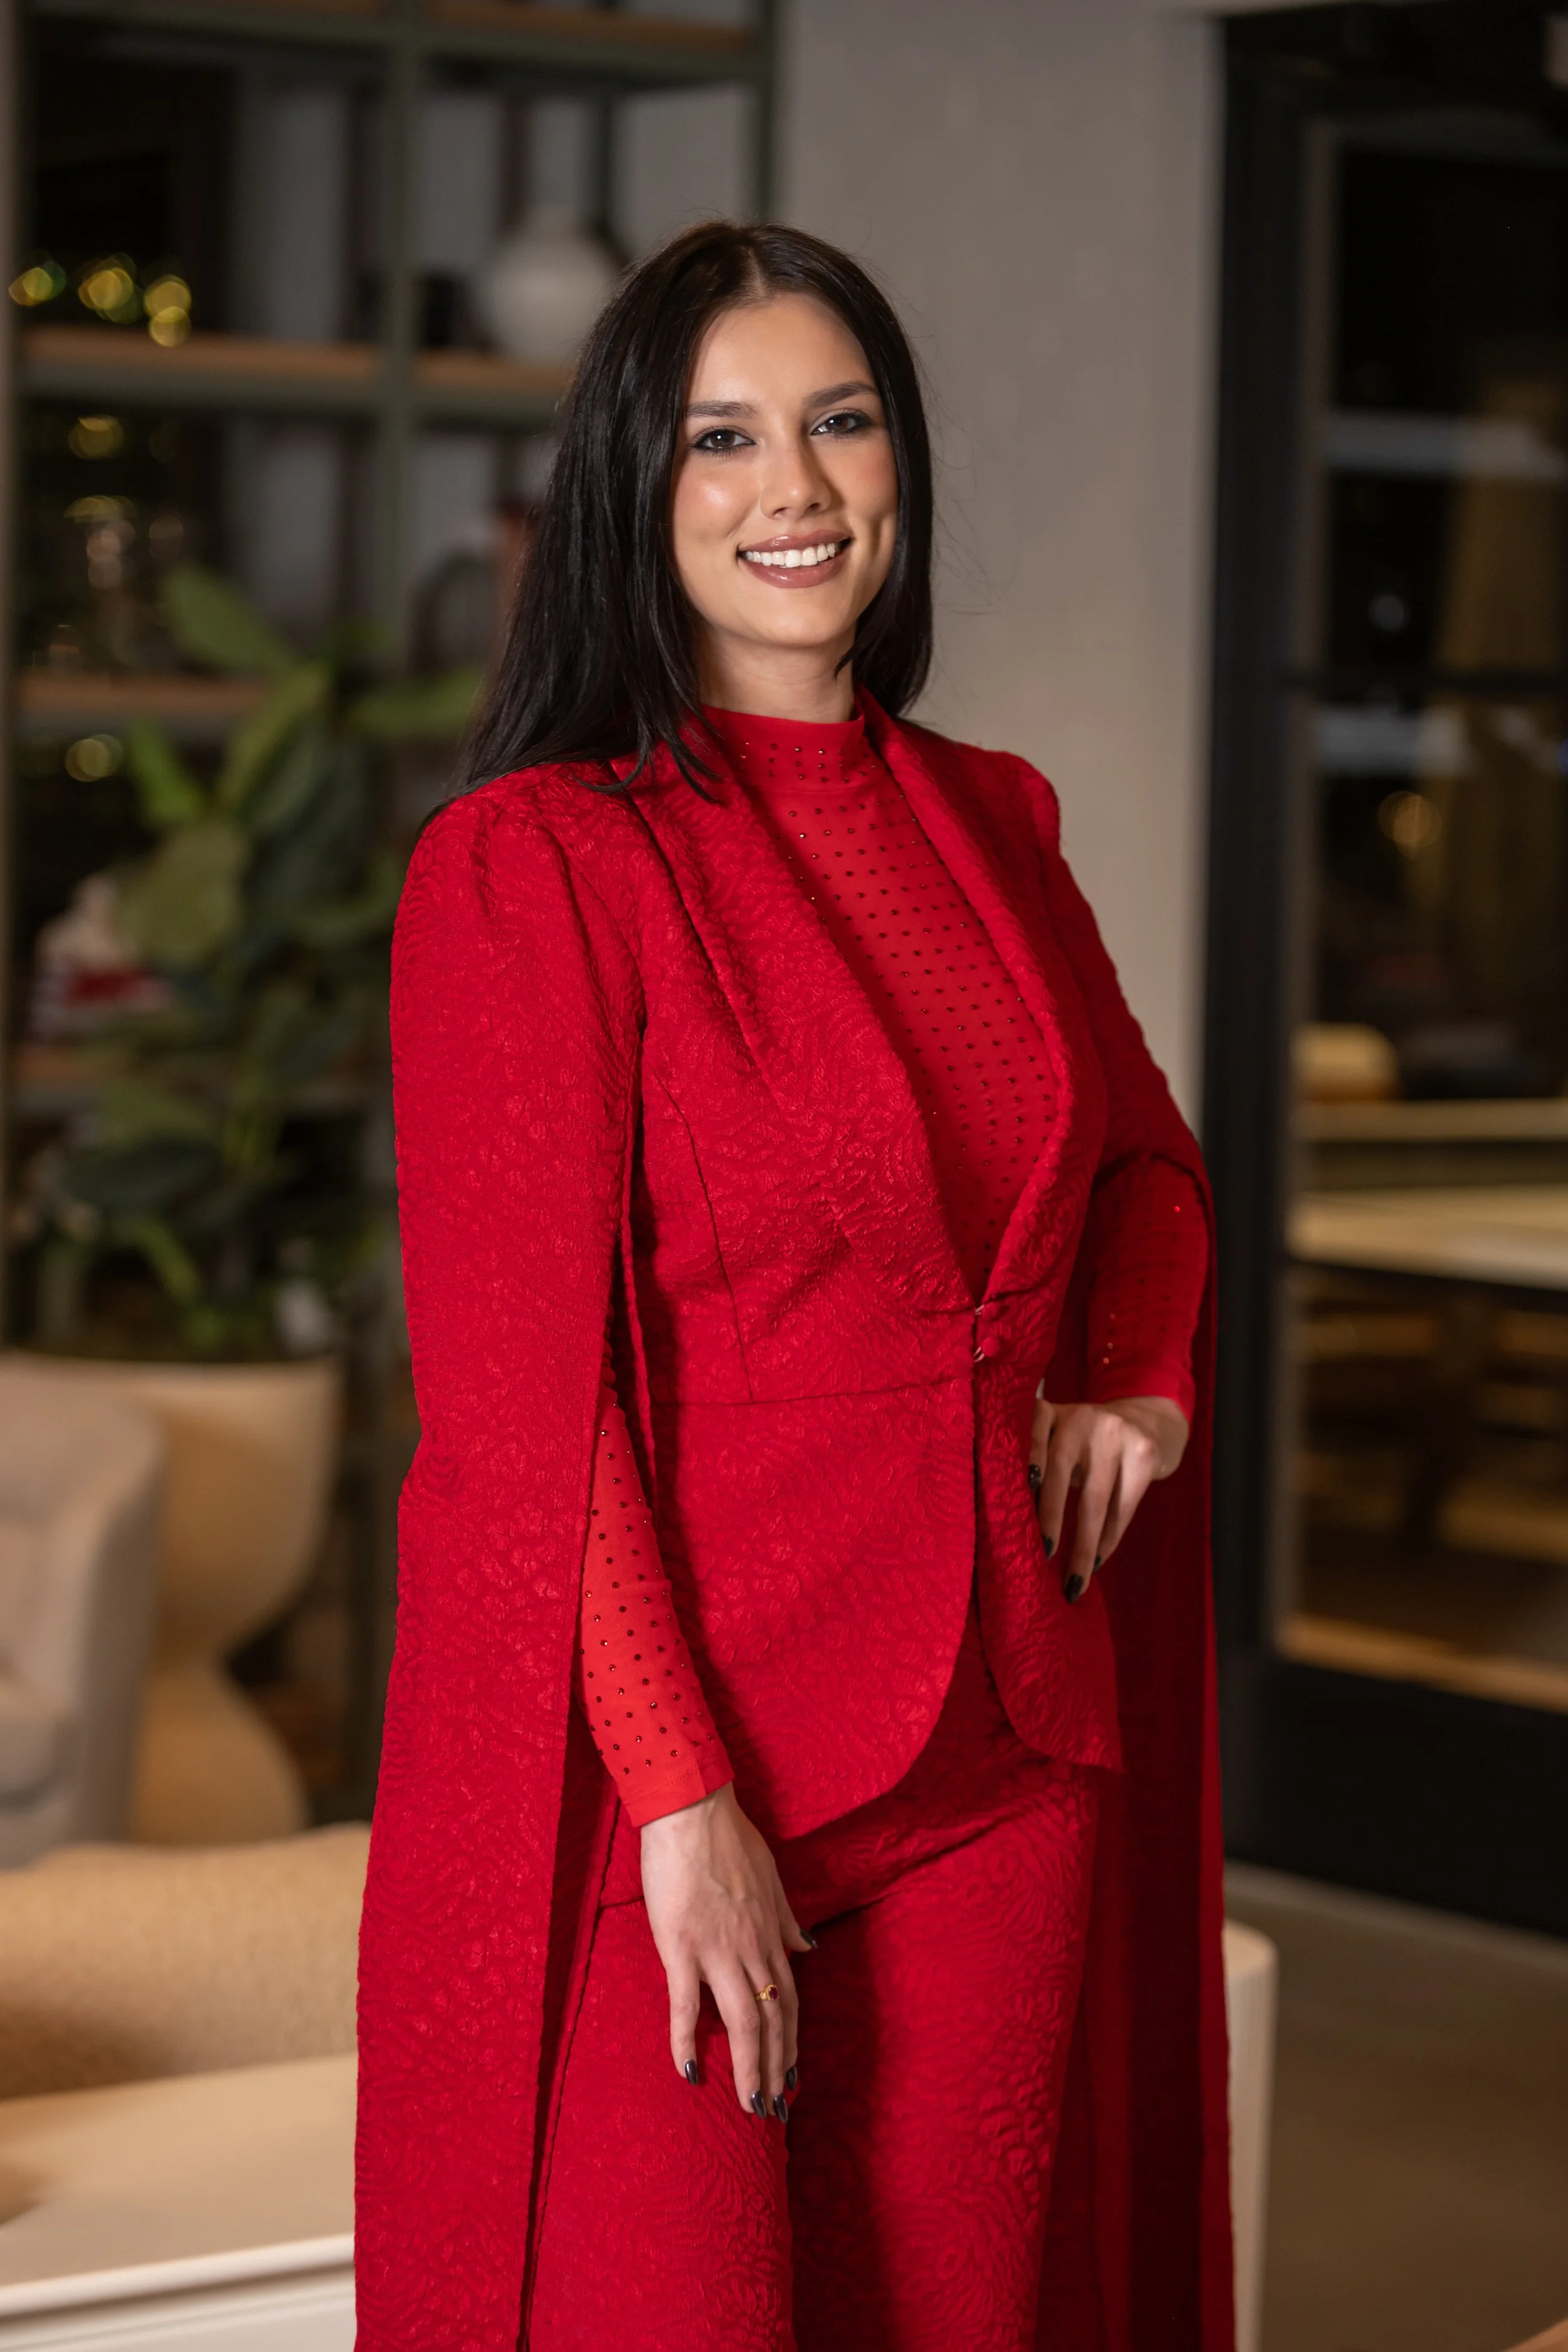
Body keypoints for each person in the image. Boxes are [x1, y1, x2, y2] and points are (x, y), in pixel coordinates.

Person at [357, 220, 1232, 2352]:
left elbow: (1135, 1164)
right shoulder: (535, 866)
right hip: (692, 1767)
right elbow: (518, 1409)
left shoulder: (992, 817)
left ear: (900, 463)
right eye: (724, 437)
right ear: (633, 488)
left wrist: (1133, 1380)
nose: (797, 488)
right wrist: (677, 1797)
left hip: (1008, 1730)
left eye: (840, 423)